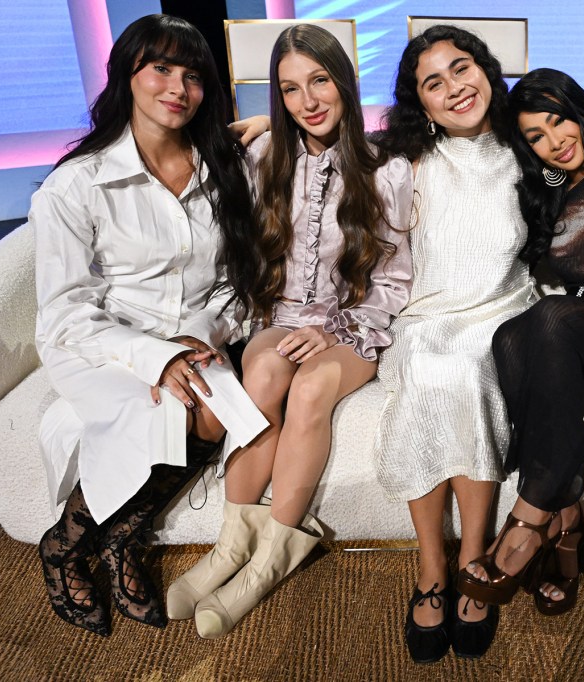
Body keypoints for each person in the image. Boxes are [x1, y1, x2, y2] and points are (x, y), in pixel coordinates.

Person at [166, 24, 413, 640]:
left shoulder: (387, 169)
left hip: (352, 325)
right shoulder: (263, 158)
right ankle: (231, 546)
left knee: (309, 390)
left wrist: (335, 328)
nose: (308, 101)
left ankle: (272, 557)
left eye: (320, 81)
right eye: (290, 89)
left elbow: (395, 279)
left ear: (344, 81)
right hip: (280, 319)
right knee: (263, 376)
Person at [33, 14, 264, 637]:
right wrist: (154, 357)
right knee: (159, 412)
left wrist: (203, 334)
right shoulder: (74, 185)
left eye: (193, 76)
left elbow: (235, 283)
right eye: (161, 68)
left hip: (191, 333)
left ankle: (120, 539)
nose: (178, 88)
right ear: (126, 75)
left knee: (220, 413)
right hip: (101, 342)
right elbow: (64, 310)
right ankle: (63, 547)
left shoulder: (226, 169)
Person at [456, 69, 584, 616]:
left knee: (548, 316)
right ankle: (570, 516)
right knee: (509, 336)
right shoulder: (548, 190)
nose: (555, 141)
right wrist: (271, 128)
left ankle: (531, 516)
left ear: (580, 111)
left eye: (559, 121)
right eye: (536, 136)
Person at [370, 25, 536, 663]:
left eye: (461, 68)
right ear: (421, 103)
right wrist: (263, 127)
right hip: (426, 314)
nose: (454, 88)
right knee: (431, 368)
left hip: (502, 309)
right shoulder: (407, 161)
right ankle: (431, 565)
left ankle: (473, 559)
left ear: (487, 71)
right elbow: (328, 147)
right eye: (432, 83)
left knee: (468, 370)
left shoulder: (528, 150)